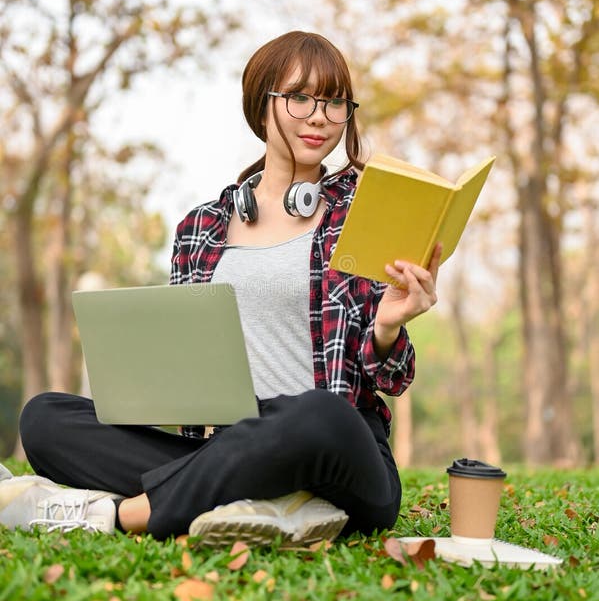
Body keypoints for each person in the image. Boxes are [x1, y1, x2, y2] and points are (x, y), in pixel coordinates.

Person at [0, 31, 441, 547]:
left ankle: (124, 515)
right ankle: (269, 503)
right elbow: (184, 369)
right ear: (261, 106)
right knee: (46, 419)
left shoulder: (365, 213)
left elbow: (390, 379)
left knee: (321, 413)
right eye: (298, 97)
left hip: (333, 451)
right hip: (223, 447)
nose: (319, 116)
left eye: (334, 100)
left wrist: (388, 326)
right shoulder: (199, 229)